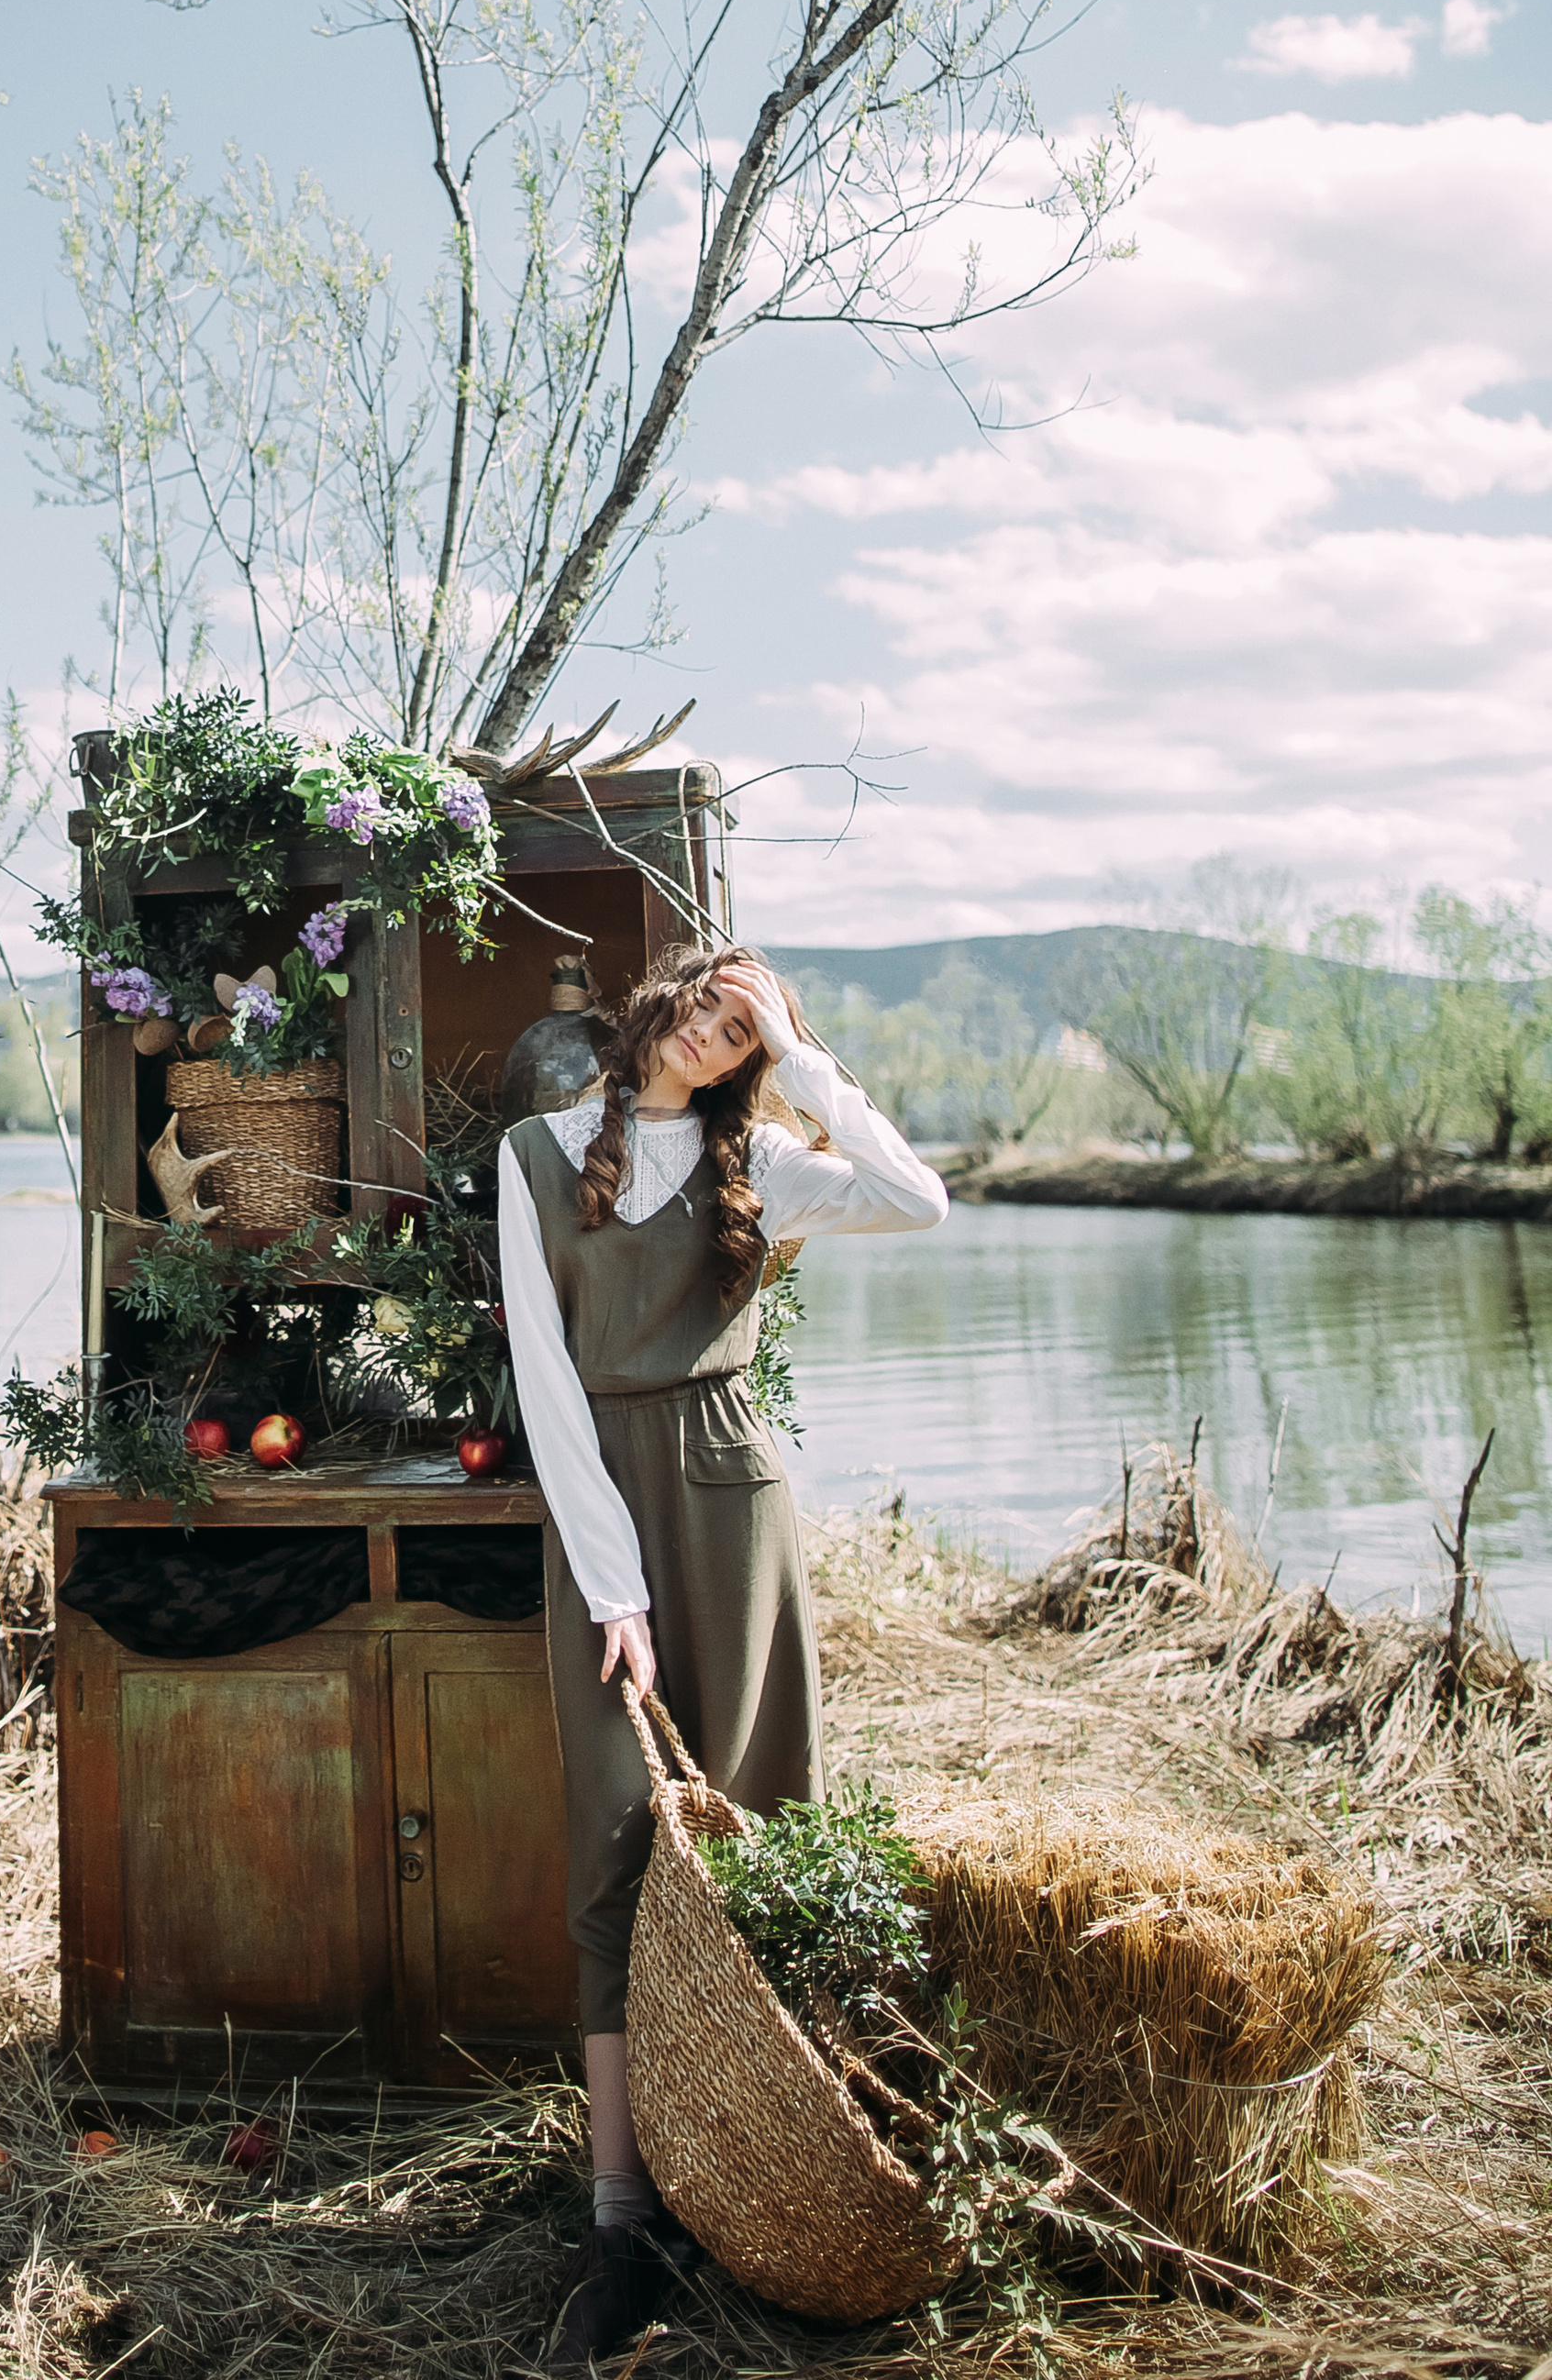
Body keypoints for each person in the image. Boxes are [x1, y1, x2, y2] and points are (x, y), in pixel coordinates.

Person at [497, 940, 948, 2373]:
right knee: (614, 1845)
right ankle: (623, 2217)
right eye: (704, 1000)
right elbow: (543, 1379)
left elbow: (916, 1200)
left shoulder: (769, 1160)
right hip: (601, 1501)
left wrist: (806, 1063)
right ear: (656, 1003)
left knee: (759, 1815)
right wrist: (609, 1584)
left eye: (740, 1025)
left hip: (732, 1490)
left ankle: (763, 2166)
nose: (712, 1033)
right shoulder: (536, 1151)